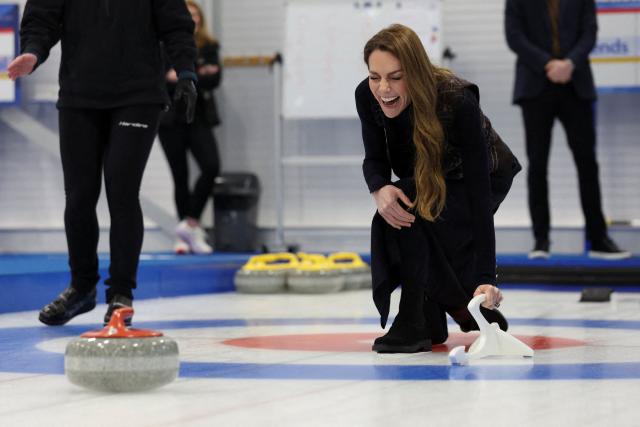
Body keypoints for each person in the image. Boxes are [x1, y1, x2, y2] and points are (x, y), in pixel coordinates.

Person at [8, 0, 198, 326]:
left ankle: (121, 294)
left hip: (138, 95)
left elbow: (176, 25)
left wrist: (186, 71)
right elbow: (41, 20)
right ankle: (82, 287)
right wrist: (33, 53)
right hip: (80, 95)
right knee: (80, 196)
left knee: (122, 190)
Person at [356, 24, 521, 353]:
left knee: (412, 206)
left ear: (415, 73)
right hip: (426, 178)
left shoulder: (456, 99)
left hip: (482, 178)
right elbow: (374, 159)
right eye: (375, 76)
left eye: (395, 76)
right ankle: (438, 313)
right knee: (395, 208)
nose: (383, 88)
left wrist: (486, 277)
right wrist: (379, 189)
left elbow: (478, 192)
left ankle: (416, 319)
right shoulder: (366, 96)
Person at [505, 0, 631, 260]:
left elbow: (590, 32)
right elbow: (514, 36)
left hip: (576, 84)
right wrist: (548, 64)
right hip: (535, 86)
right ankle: (541, 241)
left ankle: (598, 239)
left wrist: (569, 63)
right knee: (538, 164)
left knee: (587, 163)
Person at [158, 0, 221, 255]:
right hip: (171, 118)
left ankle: (190, 223)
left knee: (211, 166)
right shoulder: (163, 44)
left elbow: (214, 78)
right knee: (180, 175)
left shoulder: (210, 45)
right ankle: (184, 234)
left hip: (200, 117)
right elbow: (164, 78)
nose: (192, 19)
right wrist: (198, 72)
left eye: (196, 15)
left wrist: (185, 75)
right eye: (188, 15)